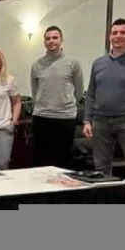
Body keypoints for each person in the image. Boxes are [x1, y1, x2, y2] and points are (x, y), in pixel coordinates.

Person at [83, 18, 125, 204]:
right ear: (109, 36)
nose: (118, 36)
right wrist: (87, 120)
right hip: (101, 123)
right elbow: (91, 93)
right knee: (101, 170)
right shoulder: (99, 63)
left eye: (123, 33)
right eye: (114, 33)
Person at [30, 26, 84, 169]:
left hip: (65, 118)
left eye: (55, 38)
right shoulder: (37, 65)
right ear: (44, 42)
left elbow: (79, 91)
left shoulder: (73, 63)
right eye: (48, 38)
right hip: (41, 117)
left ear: (61, 40)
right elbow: (35, 90)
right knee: (41, 160)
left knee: (63, 160)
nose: (51, 41)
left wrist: (66, 103)